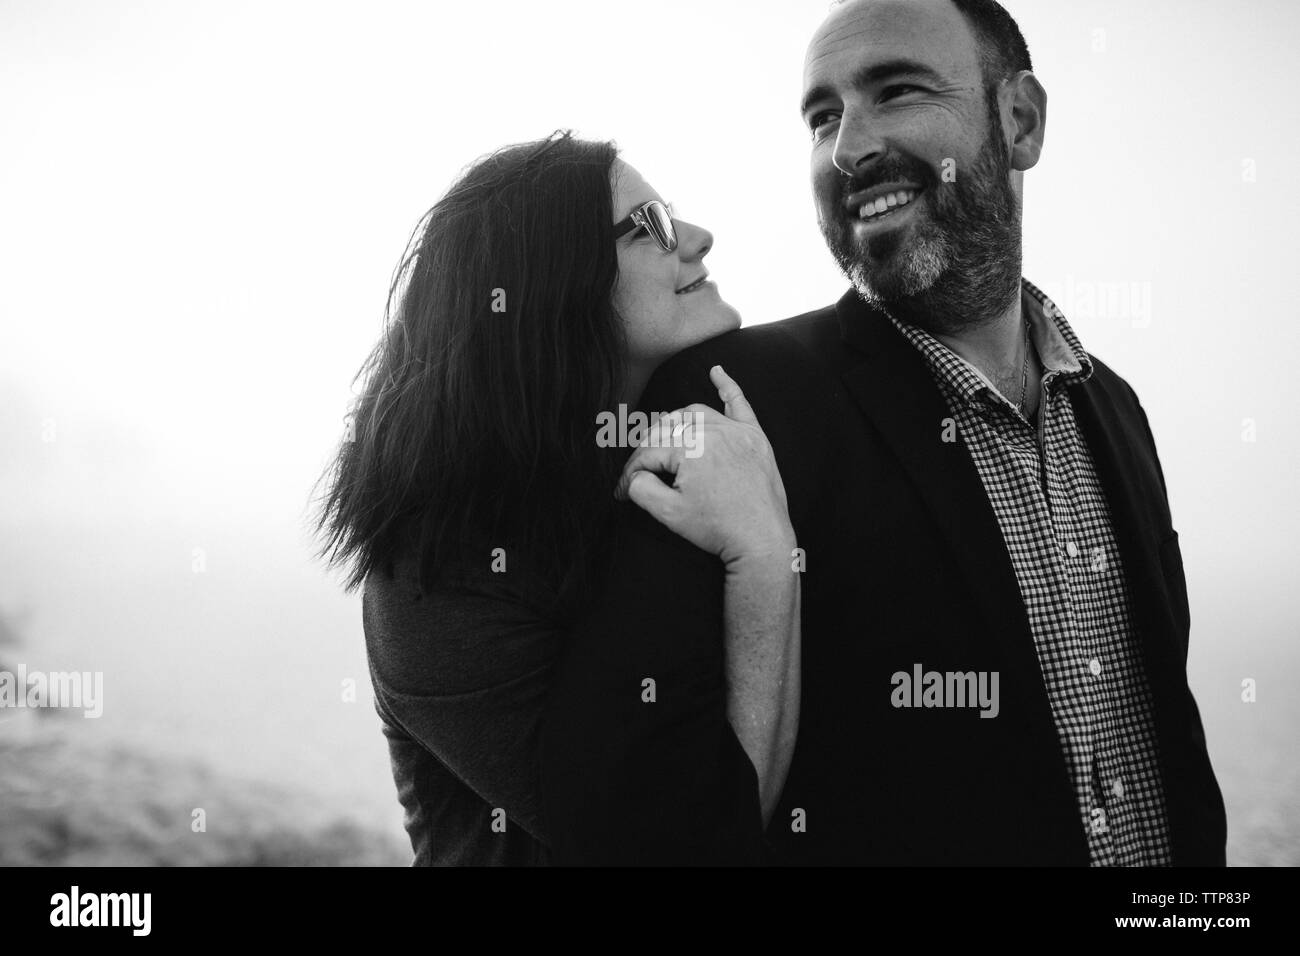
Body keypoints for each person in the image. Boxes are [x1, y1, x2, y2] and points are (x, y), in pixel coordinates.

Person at [540, 0, 1227, 865]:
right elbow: (637, 822)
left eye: (895, 91)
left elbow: (1172, 740)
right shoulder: (730, 404)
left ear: (1020, 119)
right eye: (822, 117)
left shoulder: (1117, 411)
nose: (847, 149)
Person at [314, 132, 800, 865]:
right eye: (651, 227)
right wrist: (764, 556)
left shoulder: (687, 444)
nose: (699, 239)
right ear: (551, 285)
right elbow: (681, 842)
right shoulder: (432, 573)